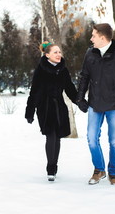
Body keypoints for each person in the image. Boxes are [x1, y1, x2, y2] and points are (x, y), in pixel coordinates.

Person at [77, 23, 115, 185]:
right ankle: (99, 169)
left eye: (93, 35)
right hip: (95, 104)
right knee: (91, 138)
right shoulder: (90, 53)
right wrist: (80, 98)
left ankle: (113, 173)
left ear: (102, 38)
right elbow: (84, 78)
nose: (91, 39)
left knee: (114, 141)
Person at [25, 41, 77, 182]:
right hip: (45, 107)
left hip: (59, 106)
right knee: (51, 135)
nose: (59, 54)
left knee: (58, 136)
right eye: (55, 52)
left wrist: (80, 101)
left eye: (59, 52)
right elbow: (34, 91)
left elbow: (70, 88)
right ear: (47, 55)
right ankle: (50, 167)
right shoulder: (41, 70)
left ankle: (54, 166)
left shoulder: (63, 70)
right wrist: (30, 111)